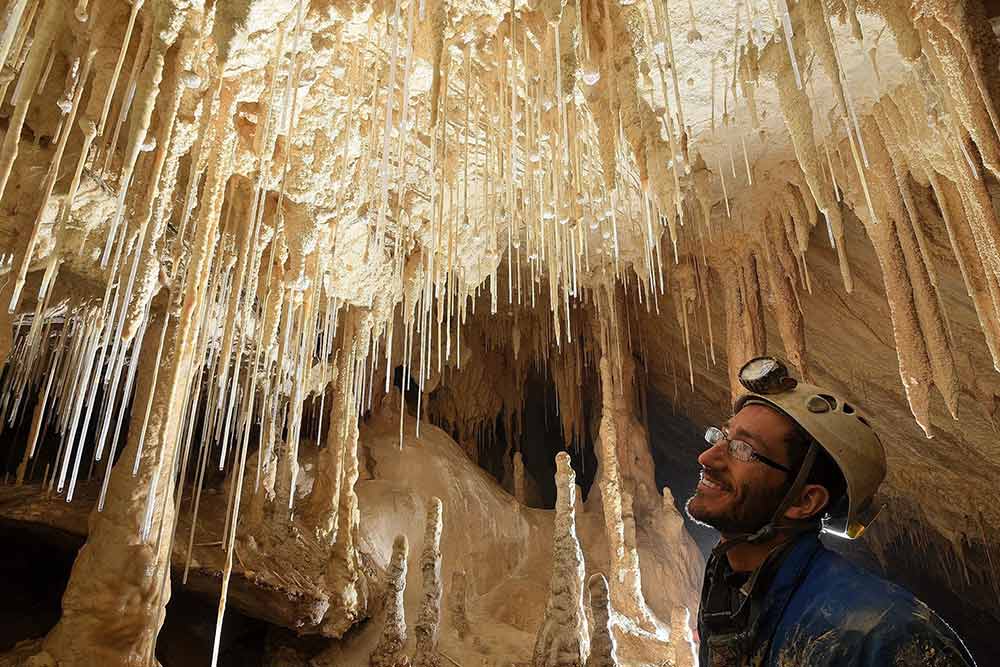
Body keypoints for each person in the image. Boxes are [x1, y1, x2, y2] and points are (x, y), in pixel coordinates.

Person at [685, 356, 977, 667]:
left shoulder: (885, 638)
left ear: (805, 501)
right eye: (722, 436)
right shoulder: (727, 588)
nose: (706, 457)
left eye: (743, 449)